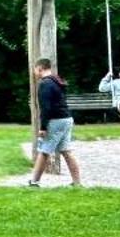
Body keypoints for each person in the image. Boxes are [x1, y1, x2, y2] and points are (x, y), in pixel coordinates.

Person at [28, 58, 81, 188]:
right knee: (66, 151)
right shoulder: (57, 80)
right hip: (67, 119)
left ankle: (34, 182)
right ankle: (77, 182)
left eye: (35, 70)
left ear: (40, 68)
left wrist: (43, 127)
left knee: (44, 151)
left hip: (56, 121)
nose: (34, 72)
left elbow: (46, 108)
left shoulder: (45, 84)